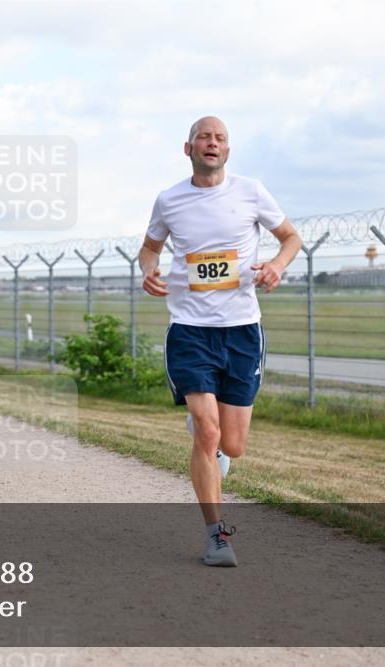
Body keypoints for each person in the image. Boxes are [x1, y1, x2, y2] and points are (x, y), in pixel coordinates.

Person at [139, 116, 302, 567]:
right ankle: (217, 537)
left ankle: (212, 445)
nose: (212, 143)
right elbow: (150, 246)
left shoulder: (251, 191)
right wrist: (148, 269)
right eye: (204, 137)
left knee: (232, 445)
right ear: (187, 147)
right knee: (207, 430)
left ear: (227, 151)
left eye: (221, 138)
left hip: (242, 332)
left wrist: (277, 265)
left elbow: (290, 237)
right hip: (189, 330)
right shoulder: (169, 199)